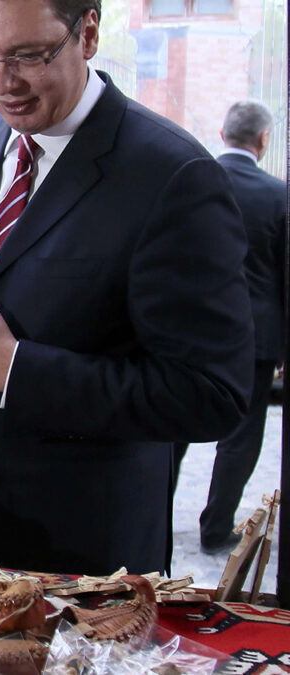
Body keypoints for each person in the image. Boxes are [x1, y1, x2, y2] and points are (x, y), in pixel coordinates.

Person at [0, 0, 253, 575]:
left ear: (87, 32)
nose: (2, 83)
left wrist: (19, 369)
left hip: (84, 557)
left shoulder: (172, 174)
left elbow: (212, 395)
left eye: (28, 56)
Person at [192, 101, 286, 554]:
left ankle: (153, 519)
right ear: (264, 140)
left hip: (185, 330)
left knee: (169, 431)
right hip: (256, 337)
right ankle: (216, 527)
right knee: (242, 434)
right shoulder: (278, 194)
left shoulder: (188, 179)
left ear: (223, 132)